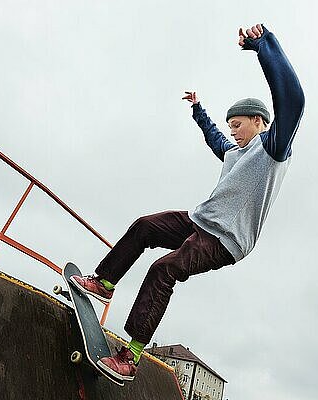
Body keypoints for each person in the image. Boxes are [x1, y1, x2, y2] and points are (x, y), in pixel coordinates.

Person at [71, 23, 305, 381]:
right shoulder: (235, 152)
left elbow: (294, 101)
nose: (232, 132)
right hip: (199, 221)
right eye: (230, 126)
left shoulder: (273, 149)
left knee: (164, 269)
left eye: (238, 125)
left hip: (224, 240)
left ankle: (131, 356)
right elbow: (215, 140)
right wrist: (199, 112)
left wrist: (264, 47)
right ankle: (104, 282)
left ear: (259, 122)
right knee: (145, 226)